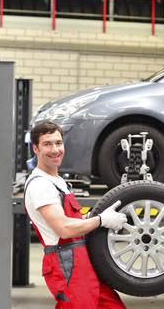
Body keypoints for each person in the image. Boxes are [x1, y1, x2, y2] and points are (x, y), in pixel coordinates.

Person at [24, 120, 127, 309]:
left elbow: (71, 220)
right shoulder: (40, 185)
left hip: (84, 258)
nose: (55, 149)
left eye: (58, 143)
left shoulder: (57, 181)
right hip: (67, 263)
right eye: (47, 144)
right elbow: (63, 228)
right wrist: (100, 220)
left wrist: (92, 219)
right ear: (36, 149)